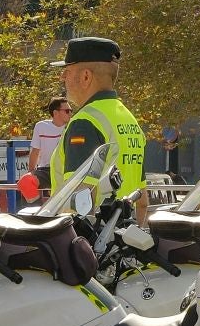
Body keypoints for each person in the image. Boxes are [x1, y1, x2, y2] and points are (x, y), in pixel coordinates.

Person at [50, 36, 147, 208]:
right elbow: (143, 202)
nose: (62, 77)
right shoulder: (128, 119)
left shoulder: (85, 122)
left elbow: (80, 199)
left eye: (68, 71)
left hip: (89, 233)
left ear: (86, 76)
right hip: (122, 231)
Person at [27, 96, 70, 194]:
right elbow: (35, 151)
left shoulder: (73, 126)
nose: (70, 114)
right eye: (67, 111)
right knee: (26, 181)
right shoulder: (41, 126)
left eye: (71, 110)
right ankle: (35, 208)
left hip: (65, 170)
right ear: (55, 113)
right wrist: (31, 172)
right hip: (45, 170)